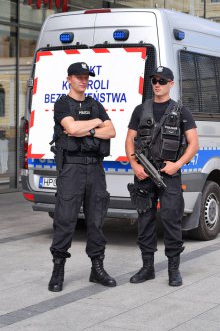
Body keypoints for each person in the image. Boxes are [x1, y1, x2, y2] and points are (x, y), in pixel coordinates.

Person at [125, 66, 199, 286]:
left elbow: (194, 144)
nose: (157, 84)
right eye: (155, 80)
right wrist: (134, 165)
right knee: (145, 220)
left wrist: (177, 165)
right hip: (144, 174)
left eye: (162, 81)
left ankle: (173, 270)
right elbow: (130, 139)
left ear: (171, 84)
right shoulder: (141, 109)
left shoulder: (181, 111)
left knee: (171, 220)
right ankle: (147, 268)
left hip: (169, 175)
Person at [48, 62, 117, 292]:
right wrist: (95, 124)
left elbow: (112, 131)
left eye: (86, 76)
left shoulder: (95, 104)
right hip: (72, 169)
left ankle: (97, 269)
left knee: (96, 220)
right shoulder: (62, 104)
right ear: (69, 79)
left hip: (95, 169)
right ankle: (58, 270)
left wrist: (91, 126)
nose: (83, 80)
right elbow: (71, 129)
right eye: (78, 76)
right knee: (65, 220)